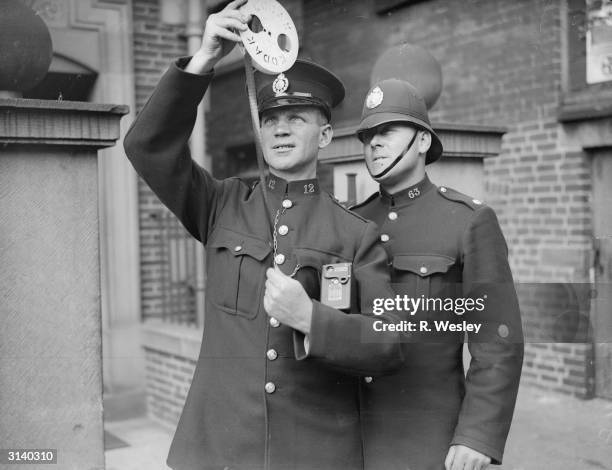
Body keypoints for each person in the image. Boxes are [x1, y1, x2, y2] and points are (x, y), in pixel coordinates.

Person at [123, 1, 406, 469]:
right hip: (221, 449)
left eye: (296, 119)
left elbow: (389, 343)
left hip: (312, 454)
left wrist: (311, 319)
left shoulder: (356, 235)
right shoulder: (222, 204)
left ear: (326, 135)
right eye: (271, 119)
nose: (280, 130)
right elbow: (146, 147)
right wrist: (204, 61)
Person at [351, 78, 524, 470]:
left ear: (423, 141)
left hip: (427, 439)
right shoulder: (353, 222)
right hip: (352, 435)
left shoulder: (467, 221)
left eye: (387, 131)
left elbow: (498, 340)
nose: (373, 143)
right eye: (367, 136)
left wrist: (476, 436)